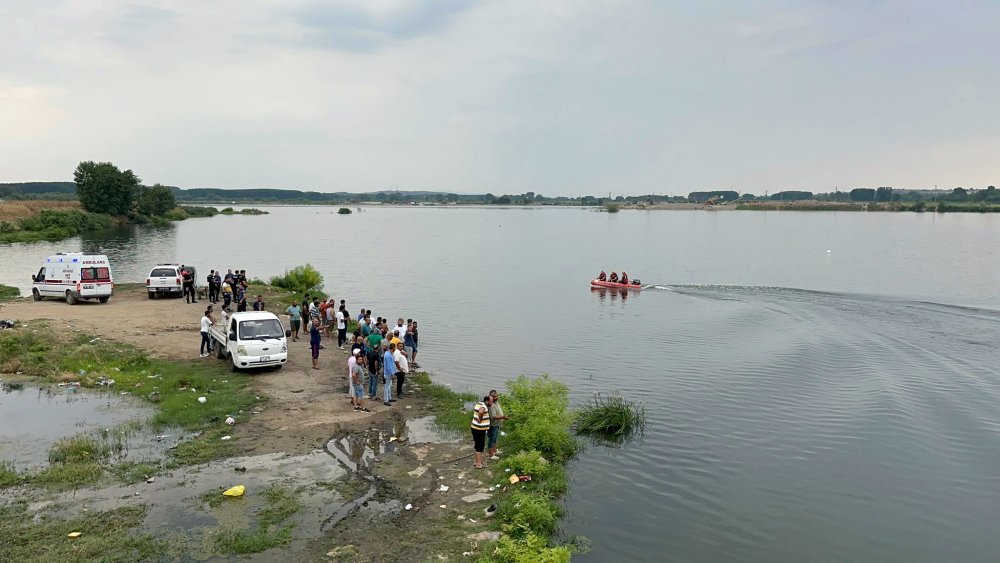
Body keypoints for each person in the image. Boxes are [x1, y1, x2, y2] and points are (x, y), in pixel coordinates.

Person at [470, 395, 492, 469]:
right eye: (491, 401)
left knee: (477, 445)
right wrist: (480, 418)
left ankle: (477, 461)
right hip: (479, 429)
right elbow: (481, 411)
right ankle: (478, 464)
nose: (491, 403)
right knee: (480, 446)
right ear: (487, 401)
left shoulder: (479, 403)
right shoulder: (483, 406)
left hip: (474, 427)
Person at [487, 389, 509, 460]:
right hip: (492, 425)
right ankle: (491, 455)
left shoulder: (496, 402)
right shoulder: (490, 405)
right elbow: (493, 416)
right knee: (491, 439)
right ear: (490, 397)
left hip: (497, 425)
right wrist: (503, 417)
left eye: (497, 396)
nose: (496, 397)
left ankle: (495, 451)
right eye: (494, 396)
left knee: (495, 439)